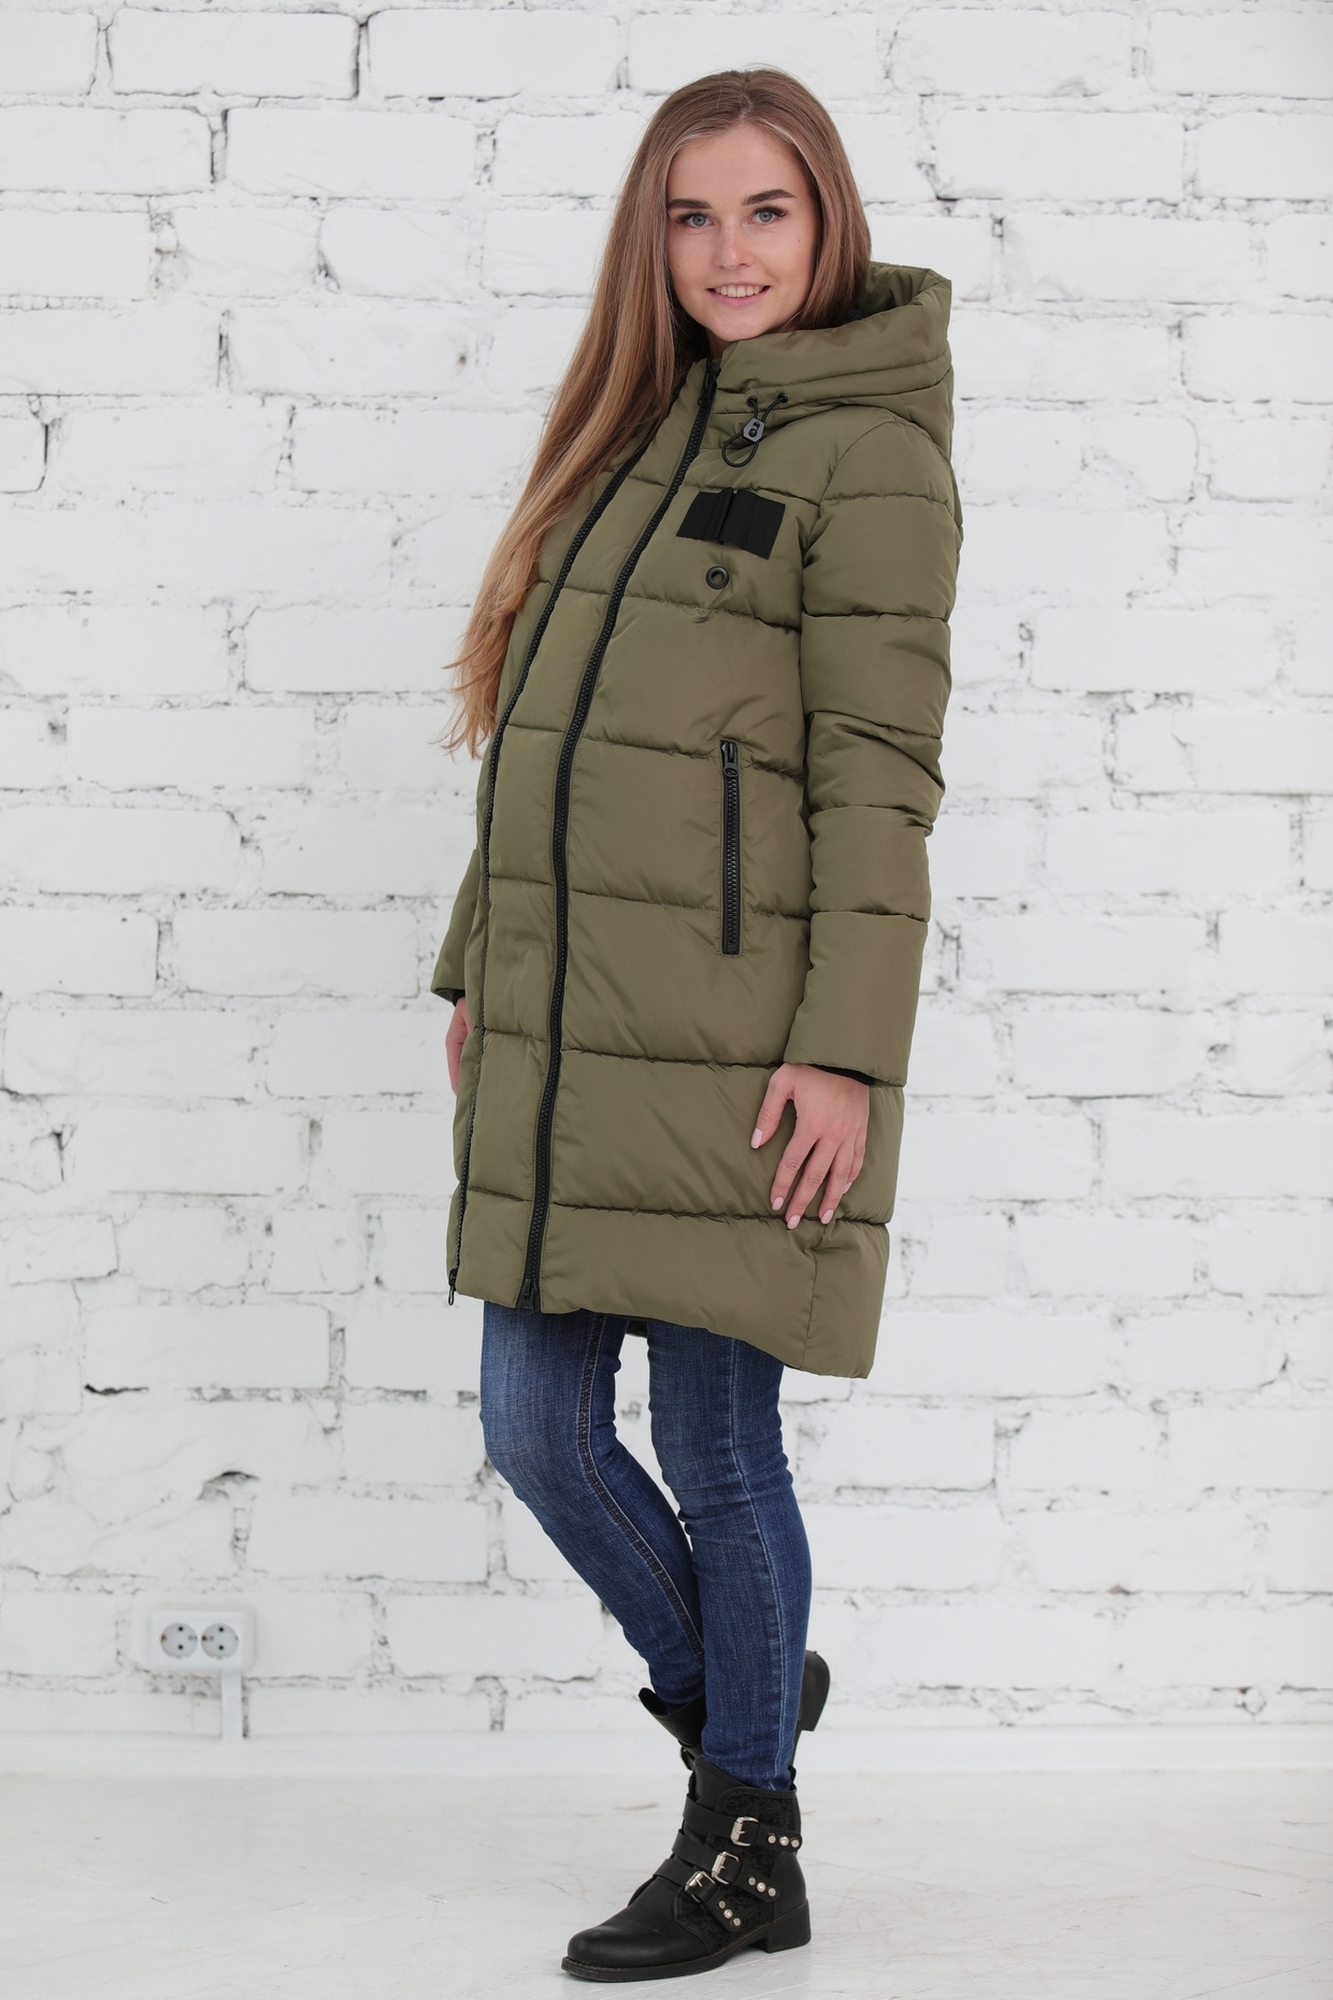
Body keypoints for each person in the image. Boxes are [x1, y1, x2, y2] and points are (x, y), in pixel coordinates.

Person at [434, 67, 959, 1983]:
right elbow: (539, 748)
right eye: (690, 215)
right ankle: (748, 1694)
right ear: (647, 240)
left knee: (718, 1448)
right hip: (569, 1027)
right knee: (534, 1428)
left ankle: (746, 1848)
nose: (728, 252)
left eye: (766, 210)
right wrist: (476, 964)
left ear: (828, 221)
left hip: (745, 1050)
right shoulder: (634, 426)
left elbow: (876, 778)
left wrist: (847, 1051)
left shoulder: (871, 455)